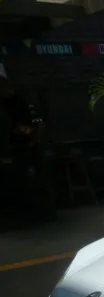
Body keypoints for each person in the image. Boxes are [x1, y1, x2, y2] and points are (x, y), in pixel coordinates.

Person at [0, 74, 55, 221]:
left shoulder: (22, 100)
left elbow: (38, 123)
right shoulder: (5, 103)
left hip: (32, 144)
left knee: (40, 177)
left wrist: (32, 138)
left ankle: (47, 212)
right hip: (16, 146)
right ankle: (31, 213)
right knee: (22, 180)